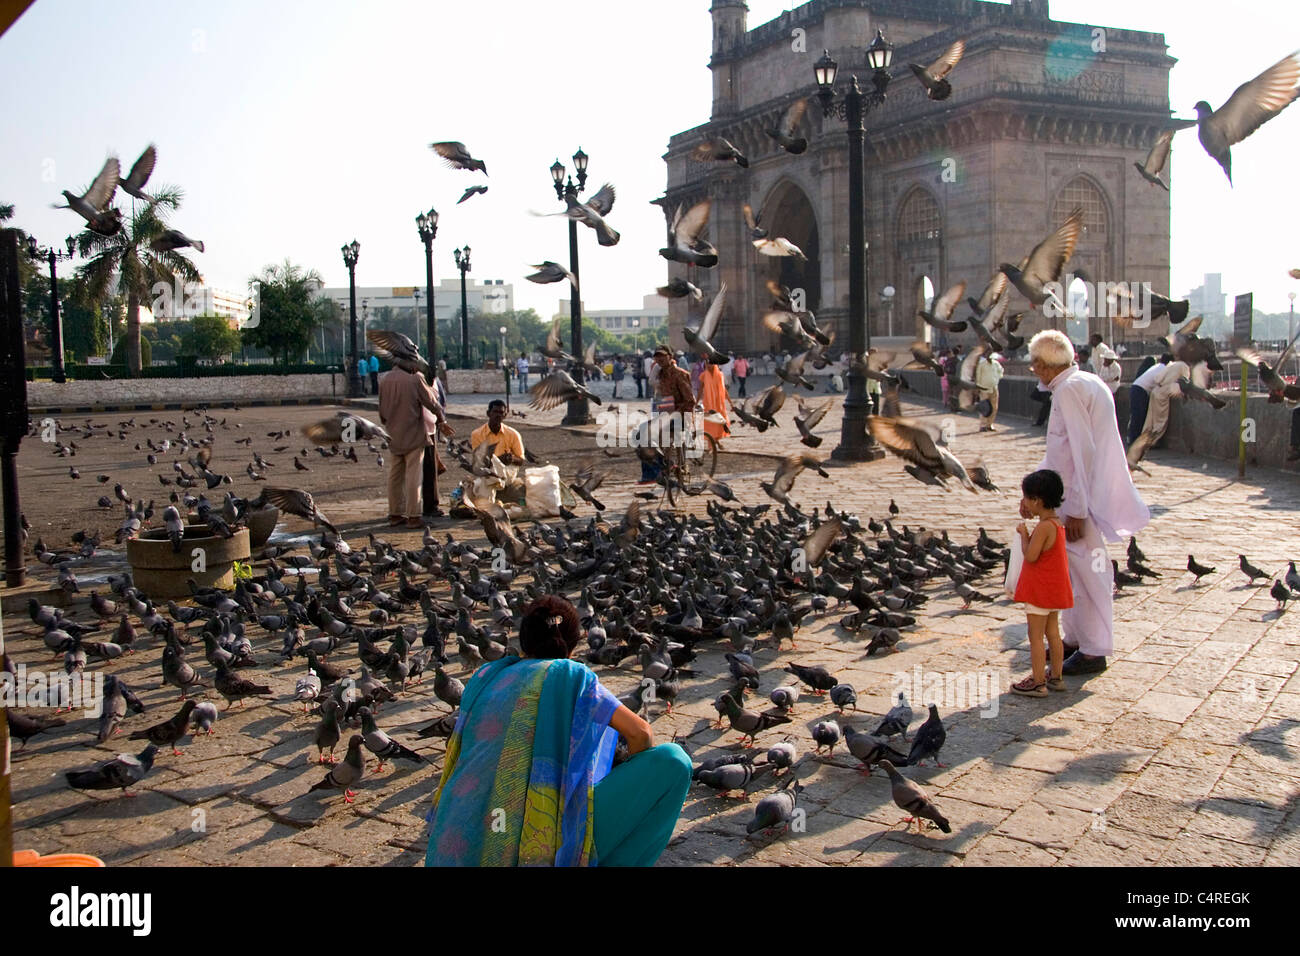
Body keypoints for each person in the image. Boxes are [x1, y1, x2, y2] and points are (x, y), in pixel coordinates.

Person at [426, 595, 691, 867]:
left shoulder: (486, 676)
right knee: (674, 760)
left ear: (525, 639)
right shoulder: (569, 675)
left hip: (455, 841)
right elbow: (641, 734)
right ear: (573, 646)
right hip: (531, 846)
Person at [1026, 330, 1149, 677]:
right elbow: (1061, 452)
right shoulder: (1086, 381)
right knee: (1076, 573)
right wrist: (1035, 493)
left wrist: (1076, 508)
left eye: (1034, 364)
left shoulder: (1068, 390)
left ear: (1041, 365)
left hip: (1080, 499)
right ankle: (1077, 639)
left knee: (1090, 574)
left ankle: (1094, 649)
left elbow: (1083, 451)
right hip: (1078, 493)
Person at [1012, 469, 1074, 696]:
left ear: (1036, 501)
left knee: (1035, 636)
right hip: (1054, 589)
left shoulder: (1043, 527)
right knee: (1053, 634)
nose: (1025, 502)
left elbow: (1031, 556)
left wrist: (1024, 535)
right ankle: (1056, 677)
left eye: (1027, 498)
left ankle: (1038, 682)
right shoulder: (1057, 524)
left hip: (1039, 590)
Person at [379, 361, 455, 528]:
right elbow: (433, 403)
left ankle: (395, 514)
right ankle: (414, 516)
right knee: (414, 475)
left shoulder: (385, 379)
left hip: (392, 434)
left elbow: (382, 414)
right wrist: (441, 420)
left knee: (395, 476)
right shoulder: (415, 379)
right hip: (413, 433)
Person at [642, 345, 696, 484]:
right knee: (645, 434)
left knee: (670, 436)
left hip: (683, 412)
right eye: (657, 356)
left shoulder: (680, 374)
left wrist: (677, 412)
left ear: (670, 357)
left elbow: (690, 400)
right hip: (668, 413)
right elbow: (661, 395)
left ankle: (676, 465)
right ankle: (654, 473)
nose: (659, 359)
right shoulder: (661, 375)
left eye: (662, 356)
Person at [1128, 352, 1172, 447]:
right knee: (1139, 417)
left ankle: (1133, 439)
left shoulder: (1157, 366)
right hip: (1141, 391)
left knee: (1137, 416)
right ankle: (1135, 441)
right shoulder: (1164, 369)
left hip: (1136, 387)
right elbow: (1160, 381)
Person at [470, 399, 525, 463]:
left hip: (507, 471)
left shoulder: (513, 434)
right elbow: (478, 460)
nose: (498, 415)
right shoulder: (477, 434)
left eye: (501, 413)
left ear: (505, 415)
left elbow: (521, 460)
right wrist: (498, 460)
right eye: (495, 412)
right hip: (486, 471)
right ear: (488, 413)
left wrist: (511, 459)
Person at [697, 356, 731, 445]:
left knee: (720, 422)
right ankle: (711, 443)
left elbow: (724, 390)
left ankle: (716, 440)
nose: (708, 365)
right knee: (709, 422)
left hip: (719, 403)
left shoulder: (720, 375)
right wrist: (696, 402)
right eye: (707, 363)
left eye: (711, 363)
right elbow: (700, 389)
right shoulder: (704, 375)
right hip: (708, 403)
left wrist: (730, 402)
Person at [975, 350, 1003, 431]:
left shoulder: (996, 364)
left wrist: (996, 379)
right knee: (985, 407)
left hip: (994, 387)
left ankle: (989, 424)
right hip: (984, 388)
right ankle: (983, 425)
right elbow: (978, 376)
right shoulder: (982, 365)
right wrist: (978, 387)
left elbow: (1000, 371)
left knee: (994, 407)